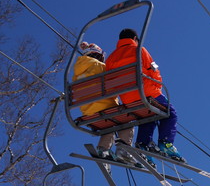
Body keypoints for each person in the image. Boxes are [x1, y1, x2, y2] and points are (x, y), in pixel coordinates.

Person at [105, 28, 185, 164]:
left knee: (148, 115)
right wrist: (157, 88)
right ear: (135, 39)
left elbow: (109, 80)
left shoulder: (111, 58)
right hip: (146, 92)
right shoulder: (140, 50)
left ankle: (143, 144)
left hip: (127, 99)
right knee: (170, 113)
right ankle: (166, 143)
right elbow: (154, 70)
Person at [73, 41, 138, 166]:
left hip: (88, 112)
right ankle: (123, 150)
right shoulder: (101, 67)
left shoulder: (77, 74)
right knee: (127, 119)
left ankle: (103, 150)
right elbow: (115, 85)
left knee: (110, 126)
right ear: (100, 56)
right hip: (105, 108)